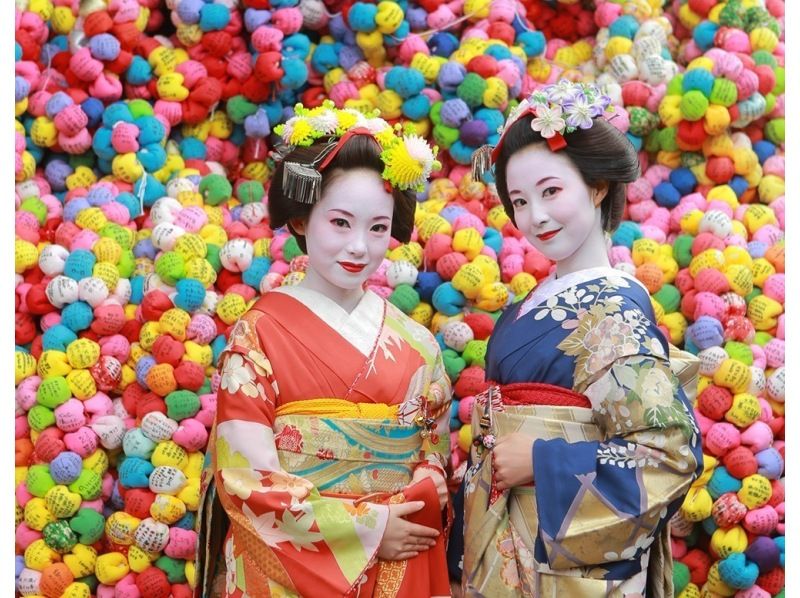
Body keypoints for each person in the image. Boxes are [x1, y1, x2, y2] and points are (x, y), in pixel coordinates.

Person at [454, 80, 704, 597]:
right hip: (505, 542)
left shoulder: (611, 308)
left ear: (596, 186)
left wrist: (543, 462)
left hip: (561, 563)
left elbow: (667, 453)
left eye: (551, 191)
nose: (535, 216)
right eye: (519, 201)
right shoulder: (530, 303)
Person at [196, 101, 453, 597]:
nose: (359, 246)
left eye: (378, 228)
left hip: (399, 557)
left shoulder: (417, 344)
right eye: (340, 223)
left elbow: (433, 453)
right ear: (300, 220)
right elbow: (245, 477)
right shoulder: (260, 332)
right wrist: (367, 529)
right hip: (299, 570)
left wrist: (421, 492)